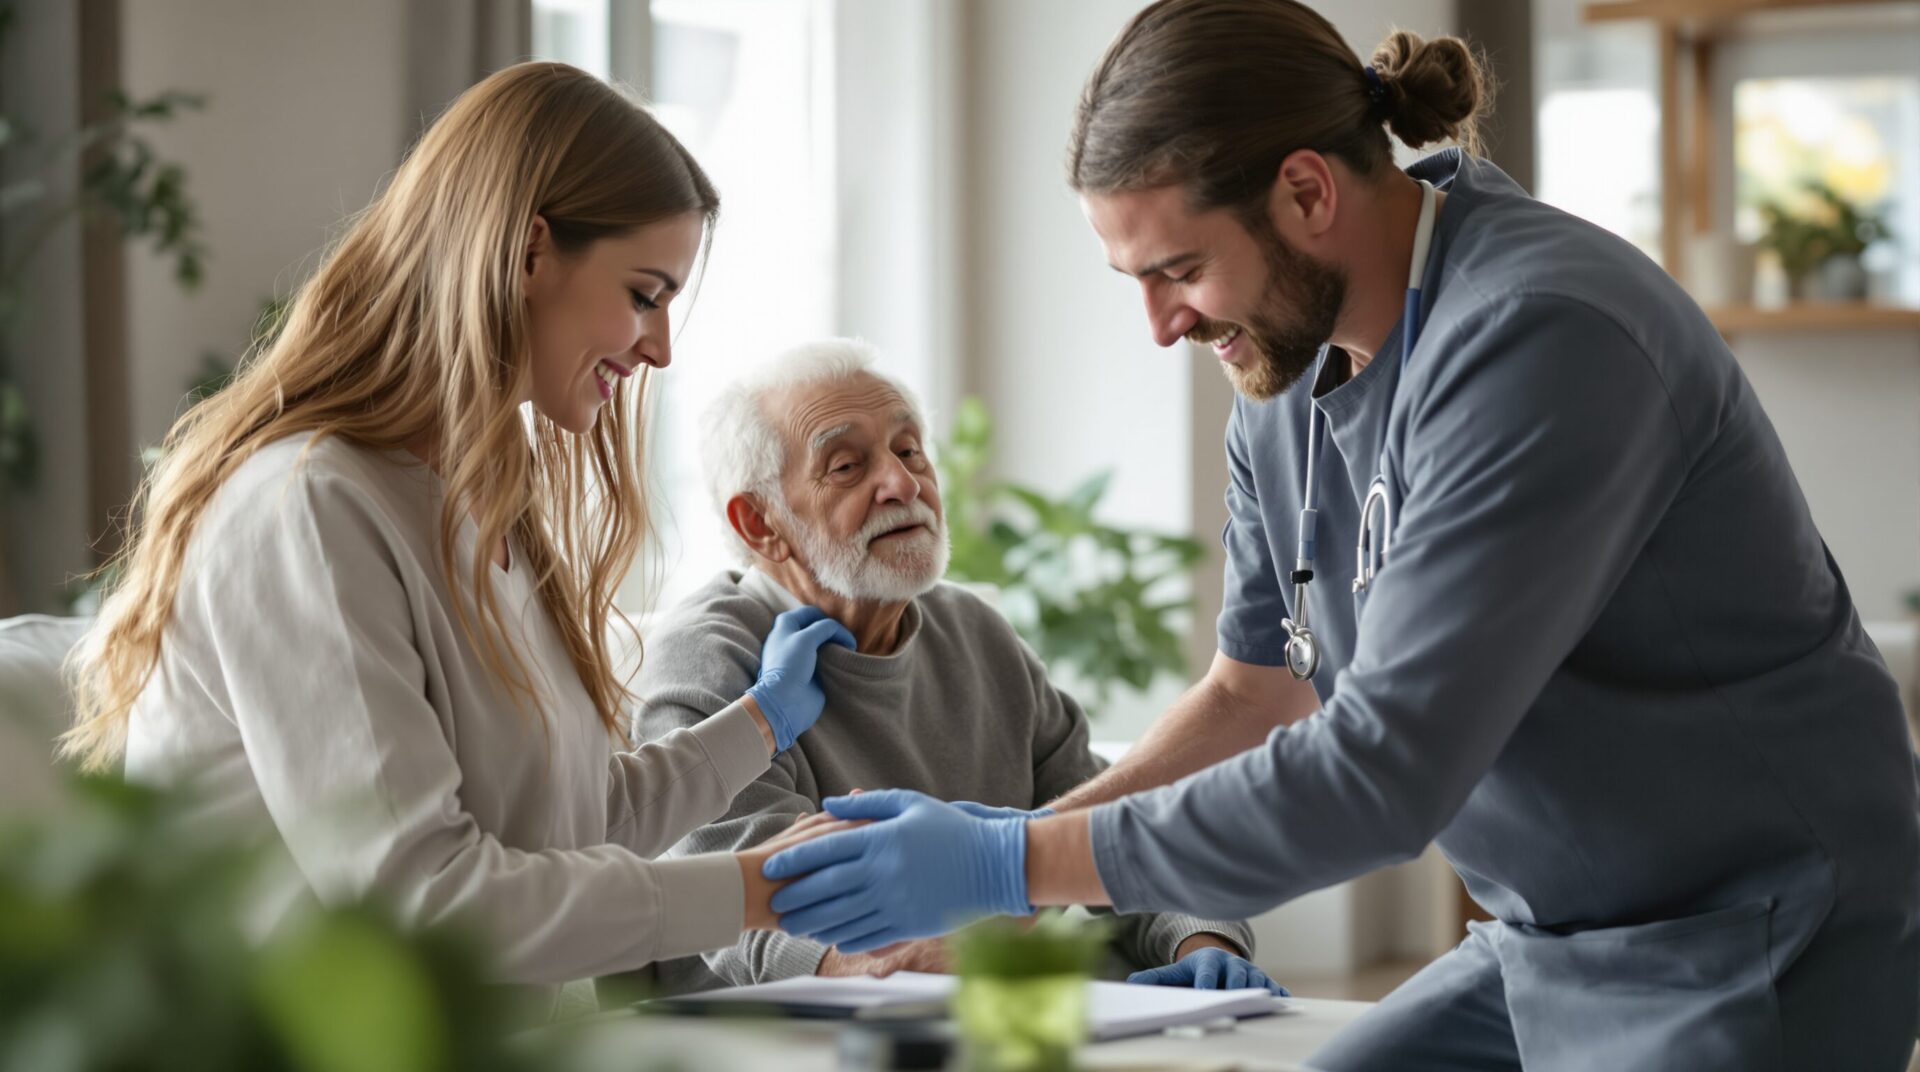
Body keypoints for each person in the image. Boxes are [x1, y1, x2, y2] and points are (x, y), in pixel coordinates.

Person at [758, 2, 1920, 1067]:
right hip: (1545, 938)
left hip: (1751, 931)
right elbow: (1252, 692)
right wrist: (1019, 851)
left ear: (1308, 192)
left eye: (1180, 269)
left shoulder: (1544, 337)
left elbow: (1383, 772)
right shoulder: (1278, 379)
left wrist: (1007, 860)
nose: (1162, 324)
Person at [58, 62, 856, 1002]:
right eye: (645, 294)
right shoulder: (309, 508)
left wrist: (762, 721)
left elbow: (570, 820)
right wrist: (749, 892)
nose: (660, 348)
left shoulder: (476, 504)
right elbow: (422, 904)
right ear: (528, 253)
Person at [633, 339, 1269, 995]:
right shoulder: (712, 652)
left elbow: (1108, 826)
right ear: (760, 522)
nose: (904, 484)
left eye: (909, 451)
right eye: (848, 465)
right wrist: (918, 970)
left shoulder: (973, 632)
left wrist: (1203, 939)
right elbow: (748, 907)